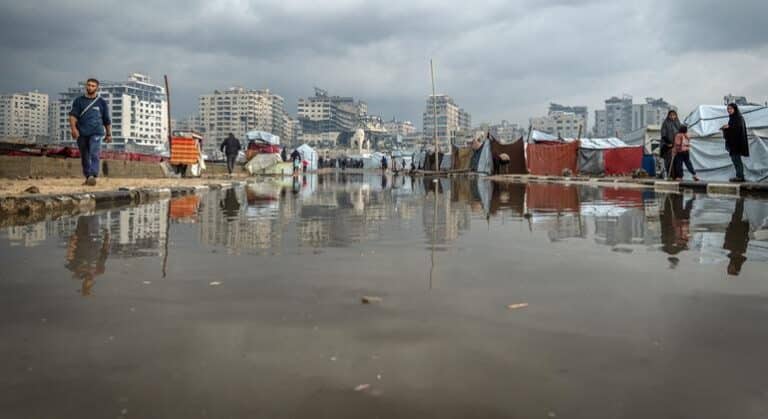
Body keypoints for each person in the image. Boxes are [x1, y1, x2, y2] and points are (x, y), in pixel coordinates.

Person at [68, 78, 112, 186]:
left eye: (93, 86)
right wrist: (73, 129)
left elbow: (106, 120)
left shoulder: (101, 102)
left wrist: (108, 134)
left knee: (94, 153)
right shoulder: (78, 101)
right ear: (86, 86)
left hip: (96, 132)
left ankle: (93, 174)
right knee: (84, 156)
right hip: (81, 133)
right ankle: (88, 177)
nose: (90, 87)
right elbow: (73, 116)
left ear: (97, 88)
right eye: (88, 85)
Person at [66, 215, 110, 296]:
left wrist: (72, 241)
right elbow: (105, 253)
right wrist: (107, 237)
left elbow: (70, 255)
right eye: (89, 285)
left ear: (83, 284)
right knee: (92, 215)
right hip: (93, 233)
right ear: (93, 283)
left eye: (86, 285)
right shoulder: (99, 270)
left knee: (85, 215)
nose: (88, 282)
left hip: (82, 235)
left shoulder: (77, 270)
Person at [721, 103, 750, 182]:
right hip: (733, 143)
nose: (729, 110)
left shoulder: (738, 118)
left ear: (735, 109)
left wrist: (728, 127)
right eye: (728, 109)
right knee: (735, 159)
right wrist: (727, 127)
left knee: (736, 159)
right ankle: (739, 175)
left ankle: (740, 176)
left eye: (730, 108)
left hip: (737, 143)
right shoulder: (732, 118)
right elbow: (733, 128)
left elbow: (737, 129)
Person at [724, 198, 749, 276]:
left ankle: (740, 200)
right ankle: (740, 200)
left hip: (735, 230)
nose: (729, 267)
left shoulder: (734, 252)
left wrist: (728, 229)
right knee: (738, 214)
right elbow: (745, 240)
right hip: (738, 230)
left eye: (729, 268)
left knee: (737, 214)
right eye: (731, 269)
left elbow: (727, 238)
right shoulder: (739, 252)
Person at [660, 110, 681, 179]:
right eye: (671, 115)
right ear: (668, 116)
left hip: (676, 145)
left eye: (674, 115)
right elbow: (663, 134)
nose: (672, 117)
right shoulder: (665, 123)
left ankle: (677, 176)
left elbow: (681, 133)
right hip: (667, 145)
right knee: (668, 161)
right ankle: (670, 175)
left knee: (677, 161)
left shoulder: (678, 123)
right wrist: (668, 143)